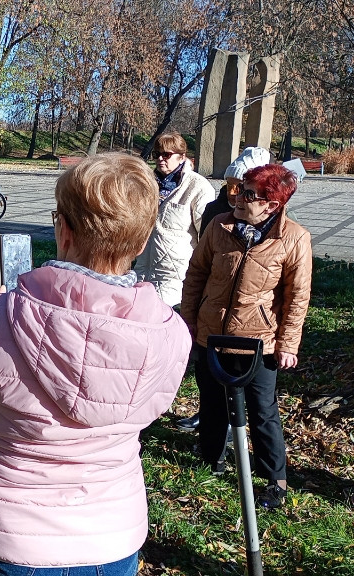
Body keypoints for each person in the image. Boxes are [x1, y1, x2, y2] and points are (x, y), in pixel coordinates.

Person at [0, 153, 191, 575]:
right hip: (110, 540)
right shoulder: (171, 332)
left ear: (62, 230)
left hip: (3, 537)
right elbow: (146, 411)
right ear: (142, 242)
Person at [180, 163, 312, 509]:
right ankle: (212, 460)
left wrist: (288, 344)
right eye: (239, 188)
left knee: (262, 410)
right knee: (211, 401)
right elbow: (196, 275)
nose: (237, 196)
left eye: (248, 193)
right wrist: (189, 320)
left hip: (259, 342)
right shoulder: (219, 226)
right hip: (211, 334)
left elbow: (297, 297)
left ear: (272, 204)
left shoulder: (294, 238)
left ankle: (274, 480)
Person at [178, 146, 272, 432]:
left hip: (252, 314)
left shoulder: (273, 218)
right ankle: (208, 415)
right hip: (214, 302)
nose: (233, 193)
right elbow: (202, 261)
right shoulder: (215, 211)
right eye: (229, 186)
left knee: (244, 379)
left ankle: (236, 423)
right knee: (208, 371)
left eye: (240, 187)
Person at [133, 131, 216, 307]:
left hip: (175, 277)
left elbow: (207, 235)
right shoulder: (145, 184)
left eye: (167, 154)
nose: (161, 159)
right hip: (141, 272)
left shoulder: (198, 187)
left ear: (182, 157)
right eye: (157, 154)